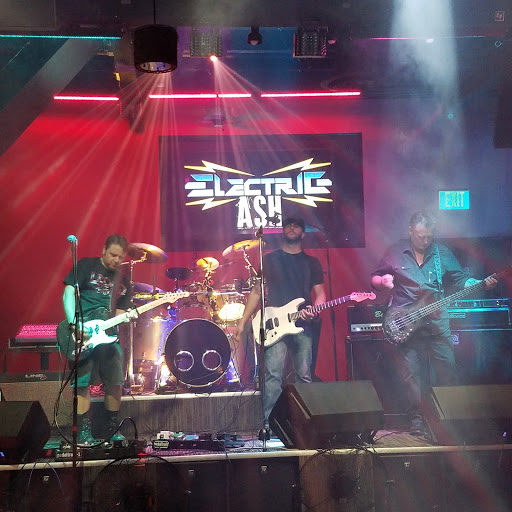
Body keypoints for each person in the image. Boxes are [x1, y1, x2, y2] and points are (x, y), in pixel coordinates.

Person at [371, 210, 497, 437]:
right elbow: (375, 278)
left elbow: (460, 279)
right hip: (406, 323)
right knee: (411, 377)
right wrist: (383, 281)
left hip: (437, 322)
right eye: (421, 236)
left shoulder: (441, 253)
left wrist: (478, 283)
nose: (425, 241)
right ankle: (417, 421)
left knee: (448, 369)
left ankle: (448, 419)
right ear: (410, 231)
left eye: (429, 236)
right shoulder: (396, 251)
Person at [234, 216, 326, 430]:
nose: (292, 228)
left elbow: (320, 294)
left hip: (302, 323)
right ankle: (270, 425)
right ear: (283, 231)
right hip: (274, 323)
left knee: (304, 375)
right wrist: (242, 322)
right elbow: (256, 292)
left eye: (297, 225)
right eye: (288, 225)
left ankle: (305, 425)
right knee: (273, 375)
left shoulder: (312, 262)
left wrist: (315, 311)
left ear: (303, 233)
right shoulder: (269, 259)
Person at [62, 234, 132, 445]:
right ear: (104, 250)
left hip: (108, 334)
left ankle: (111, 429)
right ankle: (83, 431)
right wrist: (73, 323)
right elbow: (68, 293)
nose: (116, 260)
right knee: (82, 383)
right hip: (83, 330)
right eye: (112, 255)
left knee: (115, 381)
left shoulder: (123, 279)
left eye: (120, 257)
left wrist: (126, 318)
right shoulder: (87, 265)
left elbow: (120, 313)